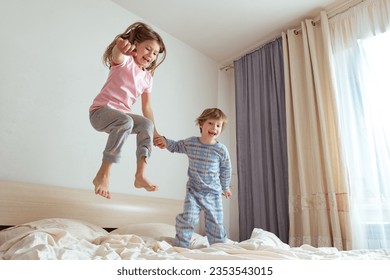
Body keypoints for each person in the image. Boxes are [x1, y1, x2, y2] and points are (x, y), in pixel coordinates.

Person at [89, 22, 167, 199]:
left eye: (155, 53)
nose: (151, 55)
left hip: (121, 119)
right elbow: (117, 54)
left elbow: (146, 107)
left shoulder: (147, 78)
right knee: (126, 121)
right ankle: (104, 173)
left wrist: (155, 133)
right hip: (100, 112)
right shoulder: (125, 62)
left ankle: (140, 175)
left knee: (145, 124)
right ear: (136, 45)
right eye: (148, 49)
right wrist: (120, 46)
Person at [158, 108, 232, 248]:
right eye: (210, 123)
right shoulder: (191, 143)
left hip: (213, 193)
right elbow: (176, 146)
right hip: (194, 191)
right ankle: (181, 246)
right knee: (189, 218)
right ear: (201, 124)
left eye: (218, 125)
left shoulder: (221, 149)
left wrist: (226, 186)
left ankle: (218, 248)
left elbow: (226, 169)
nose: (214, 128)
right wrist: (165, 142)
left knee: (216, 223)